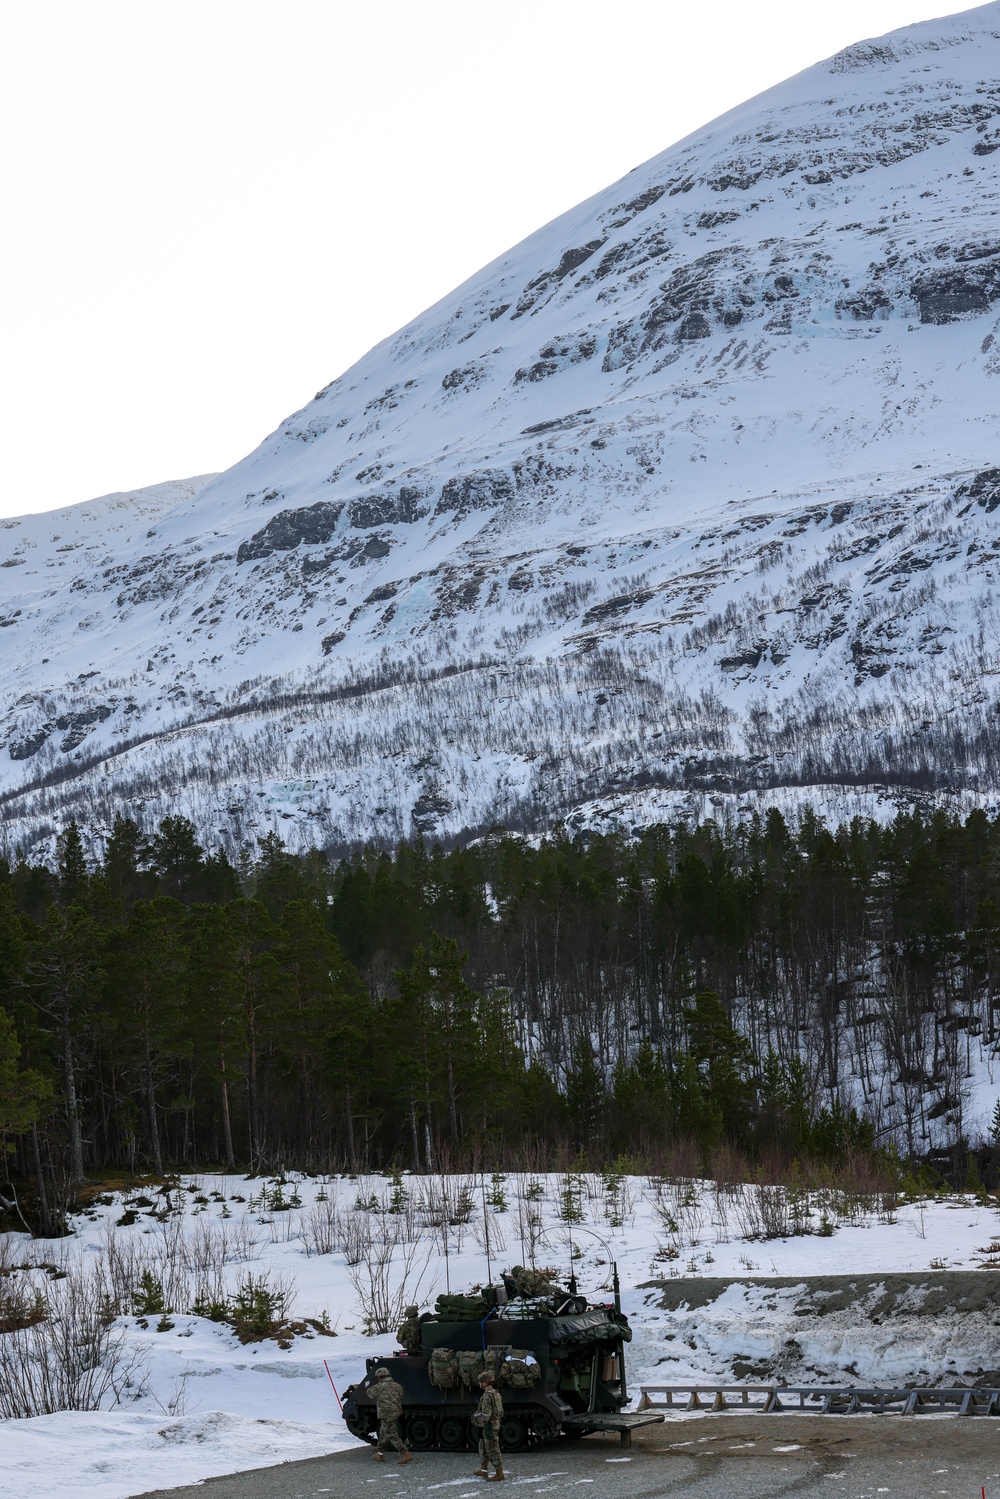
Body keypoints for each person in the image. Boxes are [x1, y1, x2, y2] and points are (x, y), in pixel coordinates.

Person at [369, 1366, 413, 1464]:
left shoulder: (379, 1387)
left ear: (379, 1377)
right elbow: (401, 1395)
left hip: (386, 1413)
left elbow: (370, 1394)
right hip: (396, 1412)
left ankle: (406, 1453)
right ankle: (379, 1454)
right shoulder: (398, 1386)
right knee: (383, 1433)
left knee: (391, 1434)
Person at [471, 1370, 505, 1482]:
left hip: (488, 1425)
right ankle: (483, 1470)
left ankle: (499, 1473)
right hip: (493, 1423)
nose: (479, 1383)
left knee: (492, 1448)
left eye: (481, 1381)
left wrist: (480, 1425)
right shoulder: (495, 1393)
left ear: (485, 1383)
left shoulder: (487, 1396)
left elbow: (486, 1415)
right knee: (483, 1447)